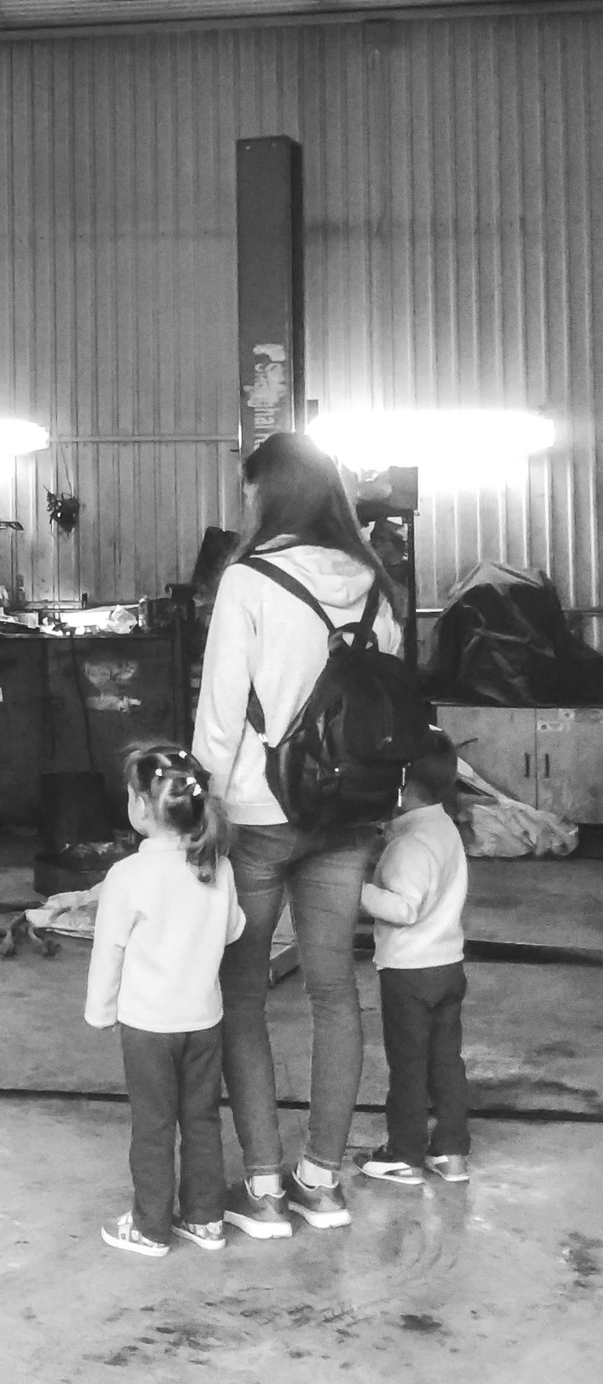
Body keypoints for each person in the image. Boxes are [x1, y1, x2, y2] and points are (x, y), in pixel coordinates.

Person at [192, 431, 404, 1240]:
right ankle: (322, 1182)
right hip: (350, 814)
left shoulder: (249, 580)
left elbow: (220, 716)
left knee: (242, 994)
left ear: (269, 494)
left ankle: (264, 1189)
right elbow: (386, 708)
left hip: (260, 814)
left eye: (250, 492)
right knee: (334, 993)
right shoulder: (375, 581)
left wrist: (200, 811)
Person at [86, 741, 245, 1258]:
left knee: (154, 1125)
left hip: (148, 1027)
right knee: (202, 1119)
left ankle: (151, 1226)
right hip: (204, 1020)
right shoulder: (217, 867)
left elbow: (109, 950)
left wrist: (100, 1011)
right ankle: (205, 1218)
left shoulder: (127, 876)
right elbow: (234, 928)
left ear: (140, 806)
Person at [356, 732, 471, 1186]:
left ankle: (404, 1153)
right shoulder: (445, 830)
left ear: (402, 785)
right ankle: (451, 1151)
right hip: (448, 964)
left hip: (409, 972)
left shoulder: (411, 843)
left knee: (408, 1065)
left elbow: (404, 908)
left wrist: (357, 891)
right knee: (446, 1062)